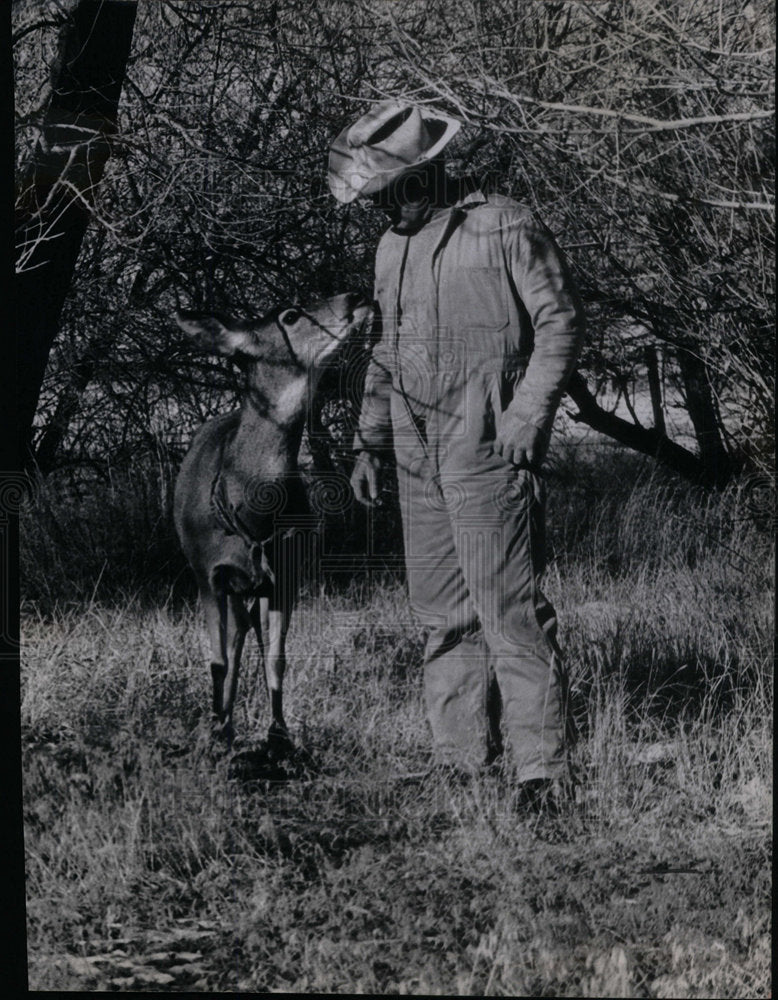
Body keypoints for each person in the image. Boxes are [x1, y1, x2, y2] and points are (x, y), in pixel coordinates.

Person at [328, 102, 586, 792]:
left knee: (510, 613)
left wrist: (529, 411)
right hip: (414, 452)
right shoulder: (391, 247)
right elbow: (385, 350)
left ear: (425, 174)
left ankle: (542, 774)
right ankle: (460, 763)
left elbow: (559, 320)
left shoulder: (504, 223)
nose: (383, 210)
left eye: (390, 192)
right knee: (443, 615)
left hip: (486, 442)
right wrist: (369, 444)